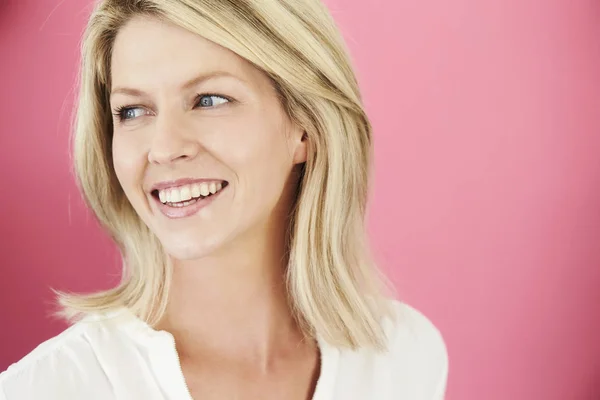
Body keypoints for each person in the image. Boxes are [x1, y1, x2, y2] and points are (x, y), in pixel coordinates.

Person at [0, 0, 448, 398]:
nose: (163, 147)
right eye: (133, 111)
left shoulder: (404, 356)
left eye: (209, 100)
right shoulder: (51, 387)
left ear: (305, 127)